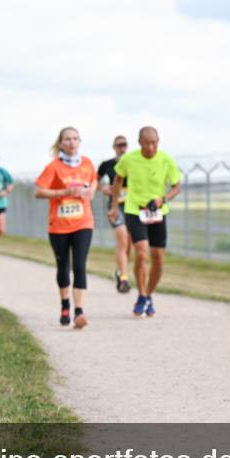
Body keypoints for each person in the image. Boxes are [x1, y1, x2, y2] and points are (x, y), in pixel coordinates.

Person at [109, 127, 181, 318]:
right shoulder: (129, 159)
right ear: (139, 142)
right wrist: (114, 207)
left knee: (158, 258)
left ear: (158, 141)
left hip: (158, 212)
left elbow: (176, 186)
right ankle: (141, 295)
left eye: (154, 143)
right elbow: (117, 180)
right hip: (134, 210)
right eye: (146, 143)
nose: (150, 147)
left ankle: (149, 295)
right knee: (141, 254)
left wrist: (163, 199)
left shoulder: (166, 160)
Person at [35, 126, 97, 329]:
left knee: (79, 265)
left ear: (80, 142)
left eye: (75, 139)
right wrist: (63, 192)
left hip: (83, 222)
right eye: (67, 139)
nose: (71, 142)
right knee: (64, 267)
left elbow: (93, 184)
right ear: (61, 143)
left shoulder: (87, 164)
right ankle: (65, 304)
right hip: (59, 225)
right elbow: (39, 192)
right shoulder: (54, 166)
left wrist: (89, 192)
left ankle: (79, 311)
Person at [98, 135, 133, 293]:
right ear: (114, 147)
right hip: (115, 206)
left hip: (133, 207)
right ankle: (124, 280)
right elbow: (95, 180)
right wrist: (103, 188)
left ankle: (120, 272)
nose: (122, 148)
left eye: (124, 145)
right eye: (119, 145)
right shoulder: (107, 165)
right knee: (122, 241)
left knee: (129, 245)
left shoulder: (133, 163)